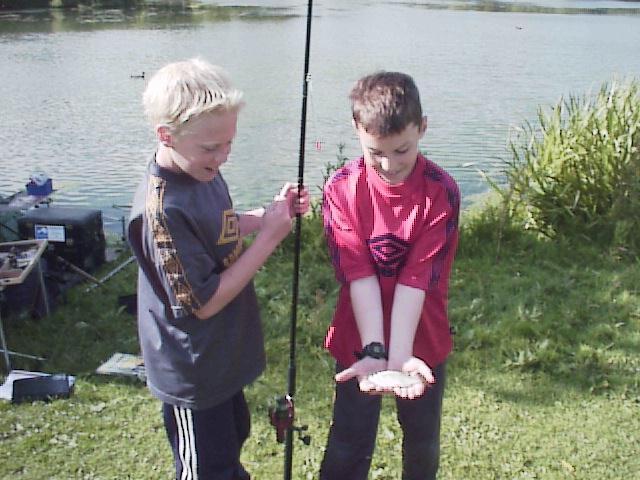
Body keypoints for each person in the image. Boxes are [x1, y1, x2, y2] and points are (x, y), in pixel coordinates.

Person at [127, 58, 308, 480]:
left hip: (221, 355)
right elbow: (203, 303)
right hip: (193, 372)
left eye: (229, 143)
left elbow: (219, 225)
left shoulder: (200, 170)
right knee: (205, 469)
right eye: (212, 148)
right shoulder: (162, 212)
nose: (223, 156)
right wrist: (269, 240)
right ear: (165, 135)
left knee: (230, 446)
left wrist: (265, 217)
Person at [320, 71, 460, 479]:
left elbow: (416, 279)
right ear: (356, 131)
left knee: (421, 441)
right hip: (357, 339)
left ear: (423, 128)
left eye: (402, 150)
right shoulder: (341, 188)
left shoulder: (441, 191)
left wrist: (399, 359)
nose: (389, 164)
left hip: (422, 339)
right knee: (348, 441)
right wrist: (377, 352)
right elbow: (358, 274)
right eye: (375, 152)